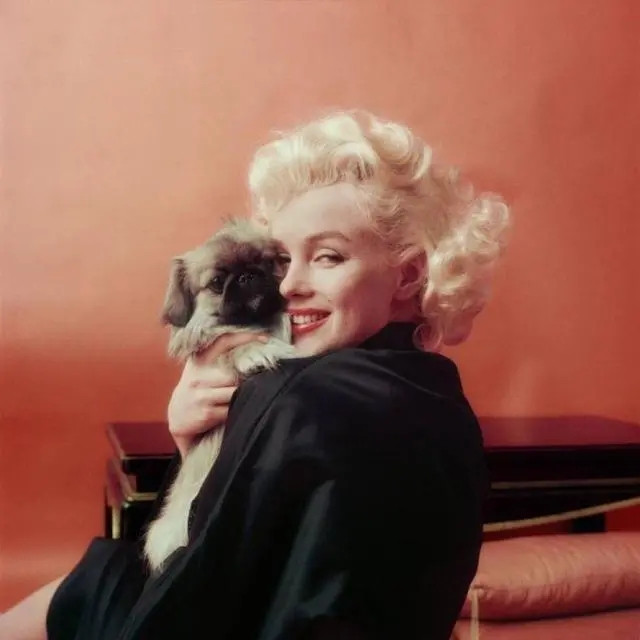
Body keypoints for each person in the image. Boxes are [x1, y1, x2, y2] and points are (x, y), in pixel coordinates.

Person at [1, 110, 509, 640]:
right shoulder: (441, 396)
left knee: (96, 584)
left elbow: (194, 584)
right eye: (284, 259)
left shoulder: (295, 395)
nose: (288, 286)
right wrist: (198, 442)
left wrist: (210, 435)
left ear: (408, 274)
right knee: (97, 579)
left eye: (328, 257)